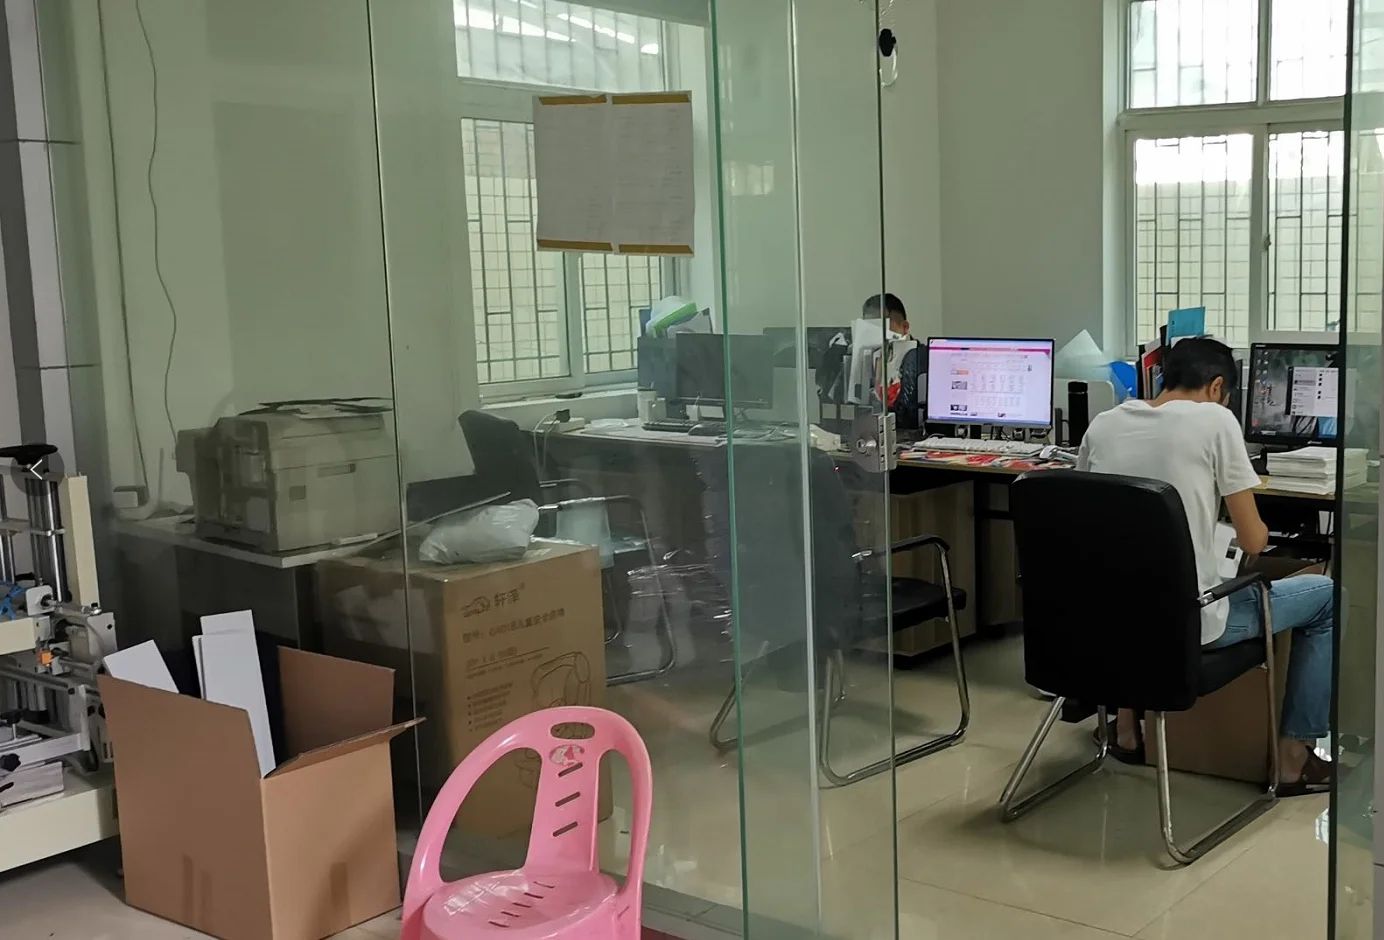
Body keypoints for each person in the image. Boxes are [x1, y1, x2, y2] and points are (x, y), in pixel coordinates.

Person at [1078, 337, 1334, 796]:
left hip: (1110, 622)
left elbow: (1095, 519)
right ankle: (1294, 759)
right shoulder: (1215, 420)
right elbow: (1254, 541)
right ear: (1217, 387)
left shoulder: (1104, 424)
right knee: (1328, 597)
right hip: (1189, 624)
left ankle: (1126, 731)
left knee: (1134, 564)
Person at [861, 292, 924, 426]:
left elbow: (909, 415)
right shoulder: (863, 358)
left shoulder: (921, 360)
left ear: (905, 327)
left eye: (883, 327)